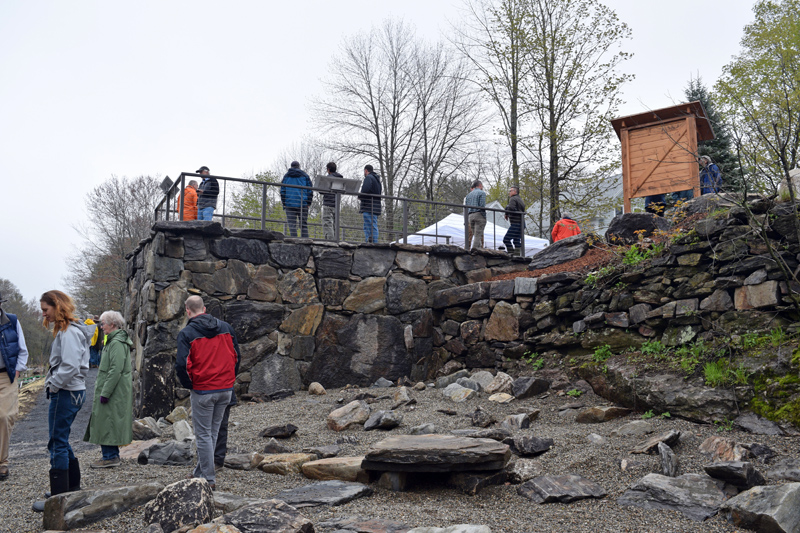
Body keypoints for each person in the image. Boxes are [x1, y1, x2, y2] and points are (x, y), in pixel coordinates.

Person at [33, 290, 92, 512]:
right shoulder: (72, 330)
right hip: (73, 391)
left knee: (57, 442)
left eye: (45, 310)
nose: (43, 314)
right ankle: (71, 489)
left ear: (57, 306)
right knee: (61, 439)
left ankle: (59, 500)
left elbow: (69, 365)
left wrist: (53, 385)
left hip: (66, 392)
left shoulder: (68, 332)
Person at [175, 295, 240, 490]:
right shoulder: (226, 328)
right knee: (212, 433)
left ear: (188, 311)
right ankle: (200, 472)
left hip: (203, 389)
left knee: (203, 435)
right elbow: (236, 356)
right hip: (225, 389)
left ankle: (208, 479)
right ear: (204, 309)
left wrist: (190, 384)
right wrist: (230, 379)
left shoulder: (187, 333)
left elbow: (181, 364)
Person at [83, 311, 132, 469]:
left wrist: (105, 392)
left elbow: (115, 370)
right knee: (107, 420)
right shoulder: (112, 341)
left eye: (103, 323)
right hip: (112, 389)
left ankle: (110, 457)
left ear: (112, 324)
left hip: (113, 391)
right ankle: (110, 455)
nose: (101, 326)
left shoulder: (116, 343)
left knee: (107, 421)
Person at [0, 292, 29, 482]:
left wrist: (18, 370)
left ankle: (2, 462)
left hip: (6, 376)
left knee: (4, 416)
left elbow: (22, 350)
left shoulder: (11, 321)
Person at [280, 161, 313, 238]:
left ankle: (294, 241)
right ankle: (305, 241)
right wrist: (308, 203)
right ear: (299, 167)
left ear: (291, 167)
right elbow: (310, 190)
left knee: (292, 225)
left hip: (289, 203)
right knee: (303, 224)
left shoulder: (286, 176)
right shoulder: (305, 176)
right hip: (303, 203)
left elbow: (282, 191)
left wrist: (284, 203)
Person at [359, 165, 382, 243]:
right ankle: (371, 242)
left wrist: (360, 196)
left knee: (369, 226)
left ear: (366, 170)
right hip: (375, 207)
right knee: (371, 225)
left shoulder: (369, 178)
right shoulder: (377, 180)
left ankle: (372, 243)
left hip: (368, 206)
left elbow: (365, 189)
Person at [322, 162, 343, 241]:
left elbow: (321, 190)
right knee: (335, 224)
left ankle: (330, 241)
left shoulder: (328, 178)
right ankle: (336, 240)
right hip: (336, 204)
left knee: (327, 223)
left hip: (328, 203)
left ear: (328, 169)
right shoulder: (340, 179)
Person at [502, 186, 525, 256]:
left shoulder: (513, 198)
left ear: (515, 192)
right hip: (521, 223)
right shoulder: (520, 199)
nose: (509, 192)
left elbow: (511, 208)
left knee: (506, 239)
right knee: (516, 241)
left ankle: (511, 254)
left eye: (510, 191)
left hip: (516, 223)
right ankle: (517, 256)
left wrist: (506, 211)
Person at [464, 180, 487, 249]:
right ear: (480, 185)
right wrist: (484, 216)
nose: (482, 187)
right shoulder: (482, 193)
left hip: (470, 216)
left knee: (475, 234)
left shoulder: (468, 195)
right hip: (479, 215)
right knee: (478, 235)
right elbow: (482, 205)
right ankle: (474, 250)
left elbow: (466, 207)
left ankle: (478, 250)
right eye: (482, 186)